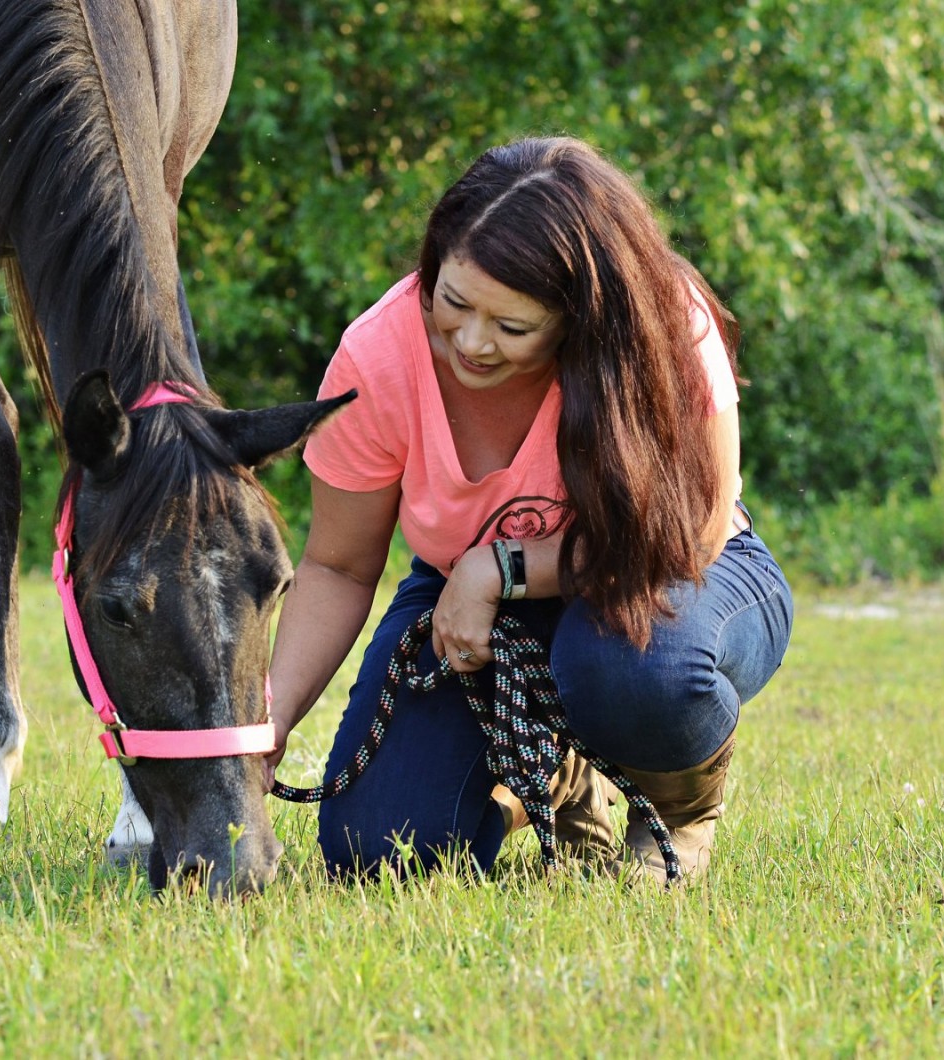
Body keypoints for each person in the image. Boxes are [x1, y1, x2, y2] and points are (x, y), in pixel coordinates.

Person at [265, 136, 793, 884]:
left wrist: (499, 568)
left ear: (580, 316)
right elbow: (338, 564)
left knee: (630, 667)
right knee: (380, 855)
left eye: (513, 328)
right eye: (453, 303)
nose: (472, 344)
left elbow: (693, 534)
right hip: (472, 598)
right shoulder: (377, 353)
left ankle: (676, 814)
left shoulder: (667, 324)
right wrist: (268, 723)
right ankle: (551, 777)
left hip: (679, 578)